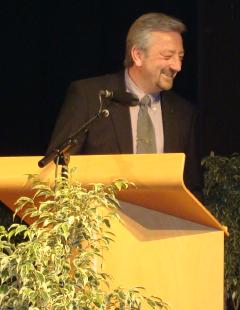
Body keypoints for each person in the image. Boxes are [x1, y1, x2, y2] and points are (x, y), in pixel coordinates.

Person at [46, 12, 200, 191]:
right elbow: (56, 170)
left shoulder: (183, 113)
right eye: (167, 56)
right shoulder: (89, 97)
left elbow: (191, 187)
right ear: (138, 55)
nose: (177, 66)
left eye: (180, 57)